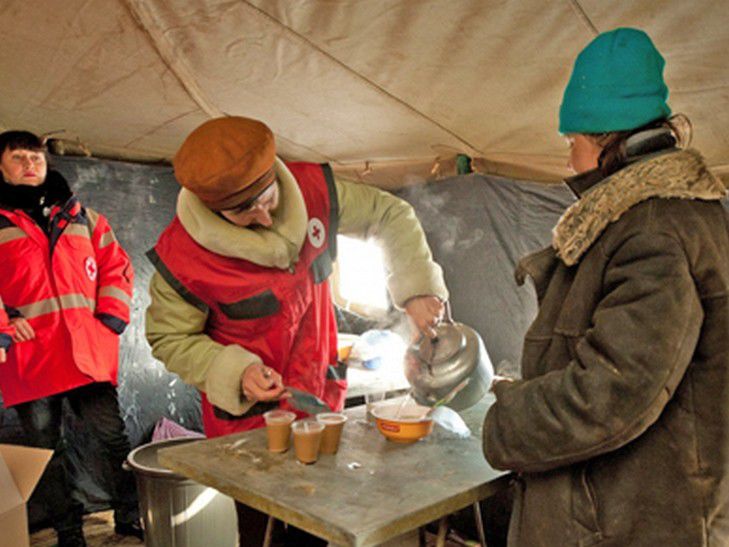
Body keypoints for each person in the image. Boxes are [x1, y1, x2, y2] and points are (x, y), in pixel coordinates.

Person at [145, 116, 449, 545]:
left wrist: (416, 289)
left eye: (266, 198)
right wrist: (236, 371)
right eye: (242, 211)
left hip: (319, 402)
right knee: (260, 532)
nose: (263, 216)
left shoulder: (314, 191)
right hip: (247, 426)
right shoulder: (182, 258)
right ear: (212, 208)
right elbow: (169, 338)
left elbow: (390, 213)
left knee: (320, 523)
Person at [481, 28, 729, 546]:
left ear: (608, 141)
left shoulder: (655, 232)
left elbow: (611, 392)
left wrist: (506, 419)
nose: (568, 160)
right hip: (625, 508)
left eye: (572, 142)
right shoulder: (649, 219)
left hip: (631, 522)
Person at [0, 131, 142, 547]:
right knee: (46, 453)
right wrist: (5, 320)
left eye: (36, 158)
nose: (31, 164)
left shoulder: (84, 217)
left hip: (87, 353)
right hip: (32, 358)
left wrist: (111, 319)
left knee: (113, 439)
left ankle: (130, 518)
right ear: (1, 166)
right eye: (19, 157)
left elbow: (116, 266)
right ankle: (68, 531)